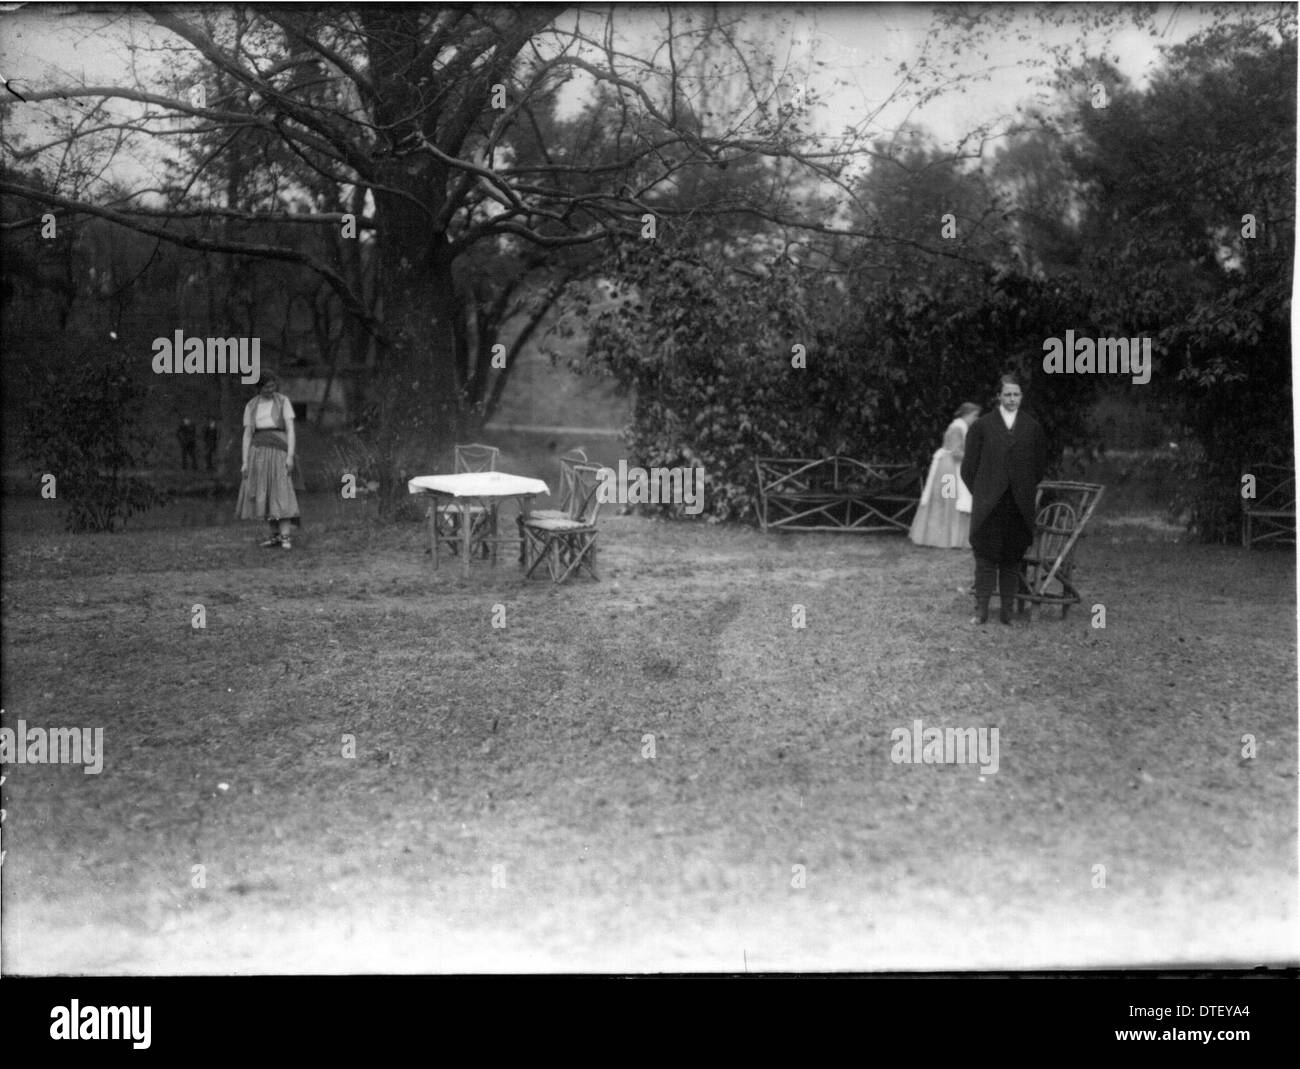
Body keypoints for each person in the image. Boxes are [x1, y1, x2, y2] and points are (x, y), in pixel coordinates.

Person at [960, 374, 1048, 625]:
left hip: (1018, 505)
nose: (1012, 399)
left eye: (1016, 394)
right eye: (1007, 394)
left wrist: (1022, 488)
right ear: (999, 396)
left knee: (1012, 558)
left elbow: (1038, 467)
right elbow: (968, 469)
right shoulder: (982, 426)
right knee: (986, 558)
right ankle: (981, 610)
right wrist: (985, 492)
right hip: (989, 505)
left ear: (1021, 397)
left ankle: (1007, 612)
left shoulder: (1032, 428)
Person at [236, 369, 301, 549]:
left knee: (282, 491)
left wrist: (289, 456)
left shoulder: (283, 402)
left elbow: (290, 430)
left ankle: (286, 536)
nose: (270, 390)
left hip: (279, 450)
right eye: (266, 387)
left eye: (273, 386)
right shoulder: (251, 405)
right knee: (266, 493)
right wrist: (245, 461)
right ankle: (275, 535)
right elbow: (247, 434)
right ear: (259, 388)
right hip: (259, 453)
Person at [909, 402, 980, 548]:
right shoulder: (956, 428)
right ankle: (943, 538)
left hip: (950, 467)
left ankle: (948, 537)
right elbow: (955, 452)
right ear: (966, 414)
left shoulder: (960, 427)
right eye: (974, 415)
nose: (976, 418)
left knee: (950, 500)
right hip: (949, 469)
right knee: (948, 500)